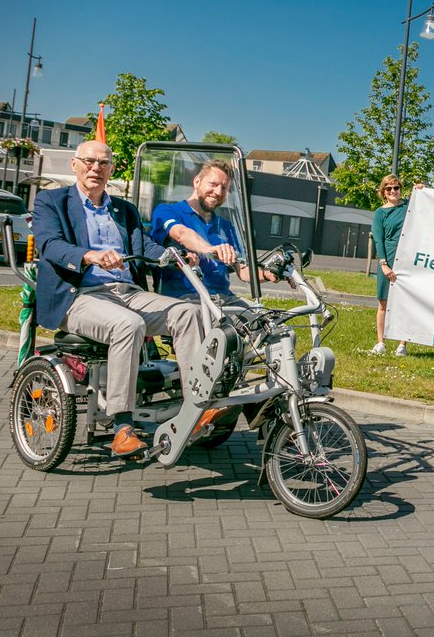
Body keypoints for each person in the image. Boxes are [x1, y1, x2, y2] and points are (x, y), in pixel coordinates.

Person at [34, 140, 228, 459]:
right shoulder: (51, 201)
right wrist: (90, 256)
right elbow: (50, 245)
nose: (95, 168)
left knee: (187, 313)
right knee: (129, 325)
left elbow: (146, 249)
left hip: (126, 292)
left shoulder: (124, 210)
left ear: (111, 169)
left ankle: (196, 408)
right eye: (89, 161)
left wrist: (176, 255)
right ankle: (122, 427)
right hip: (77, 295)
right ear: (74, 164)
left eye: (103, 163)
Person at [149, 160, 277, 306]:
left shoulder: (225, 226)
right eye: (213, 184)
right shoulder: (168, 211)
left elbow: (243, 270)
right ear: (197, 181)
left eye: (224, 188)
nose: (218, 192)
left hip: (224, 298)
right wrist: (211, 249)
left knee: (265, 324)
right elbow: (181, 234)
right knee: (225, 326)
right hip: (185, 298)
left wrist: (268, 273)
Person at [371, 173, 410, 356]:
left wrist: (422, 189)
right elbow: (378, 240)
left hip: (406, 259)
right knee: (383, 303)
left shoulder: (409, 207)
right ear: (383, 192)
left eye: (396, 187)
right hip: (387, 257)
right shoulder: (380, 213)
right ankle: (381, 342)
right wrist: (384, 264)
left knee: (404, 303)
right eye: (389, 188)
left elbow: (427, 205)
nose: (393, 191)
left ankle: (402, 344)